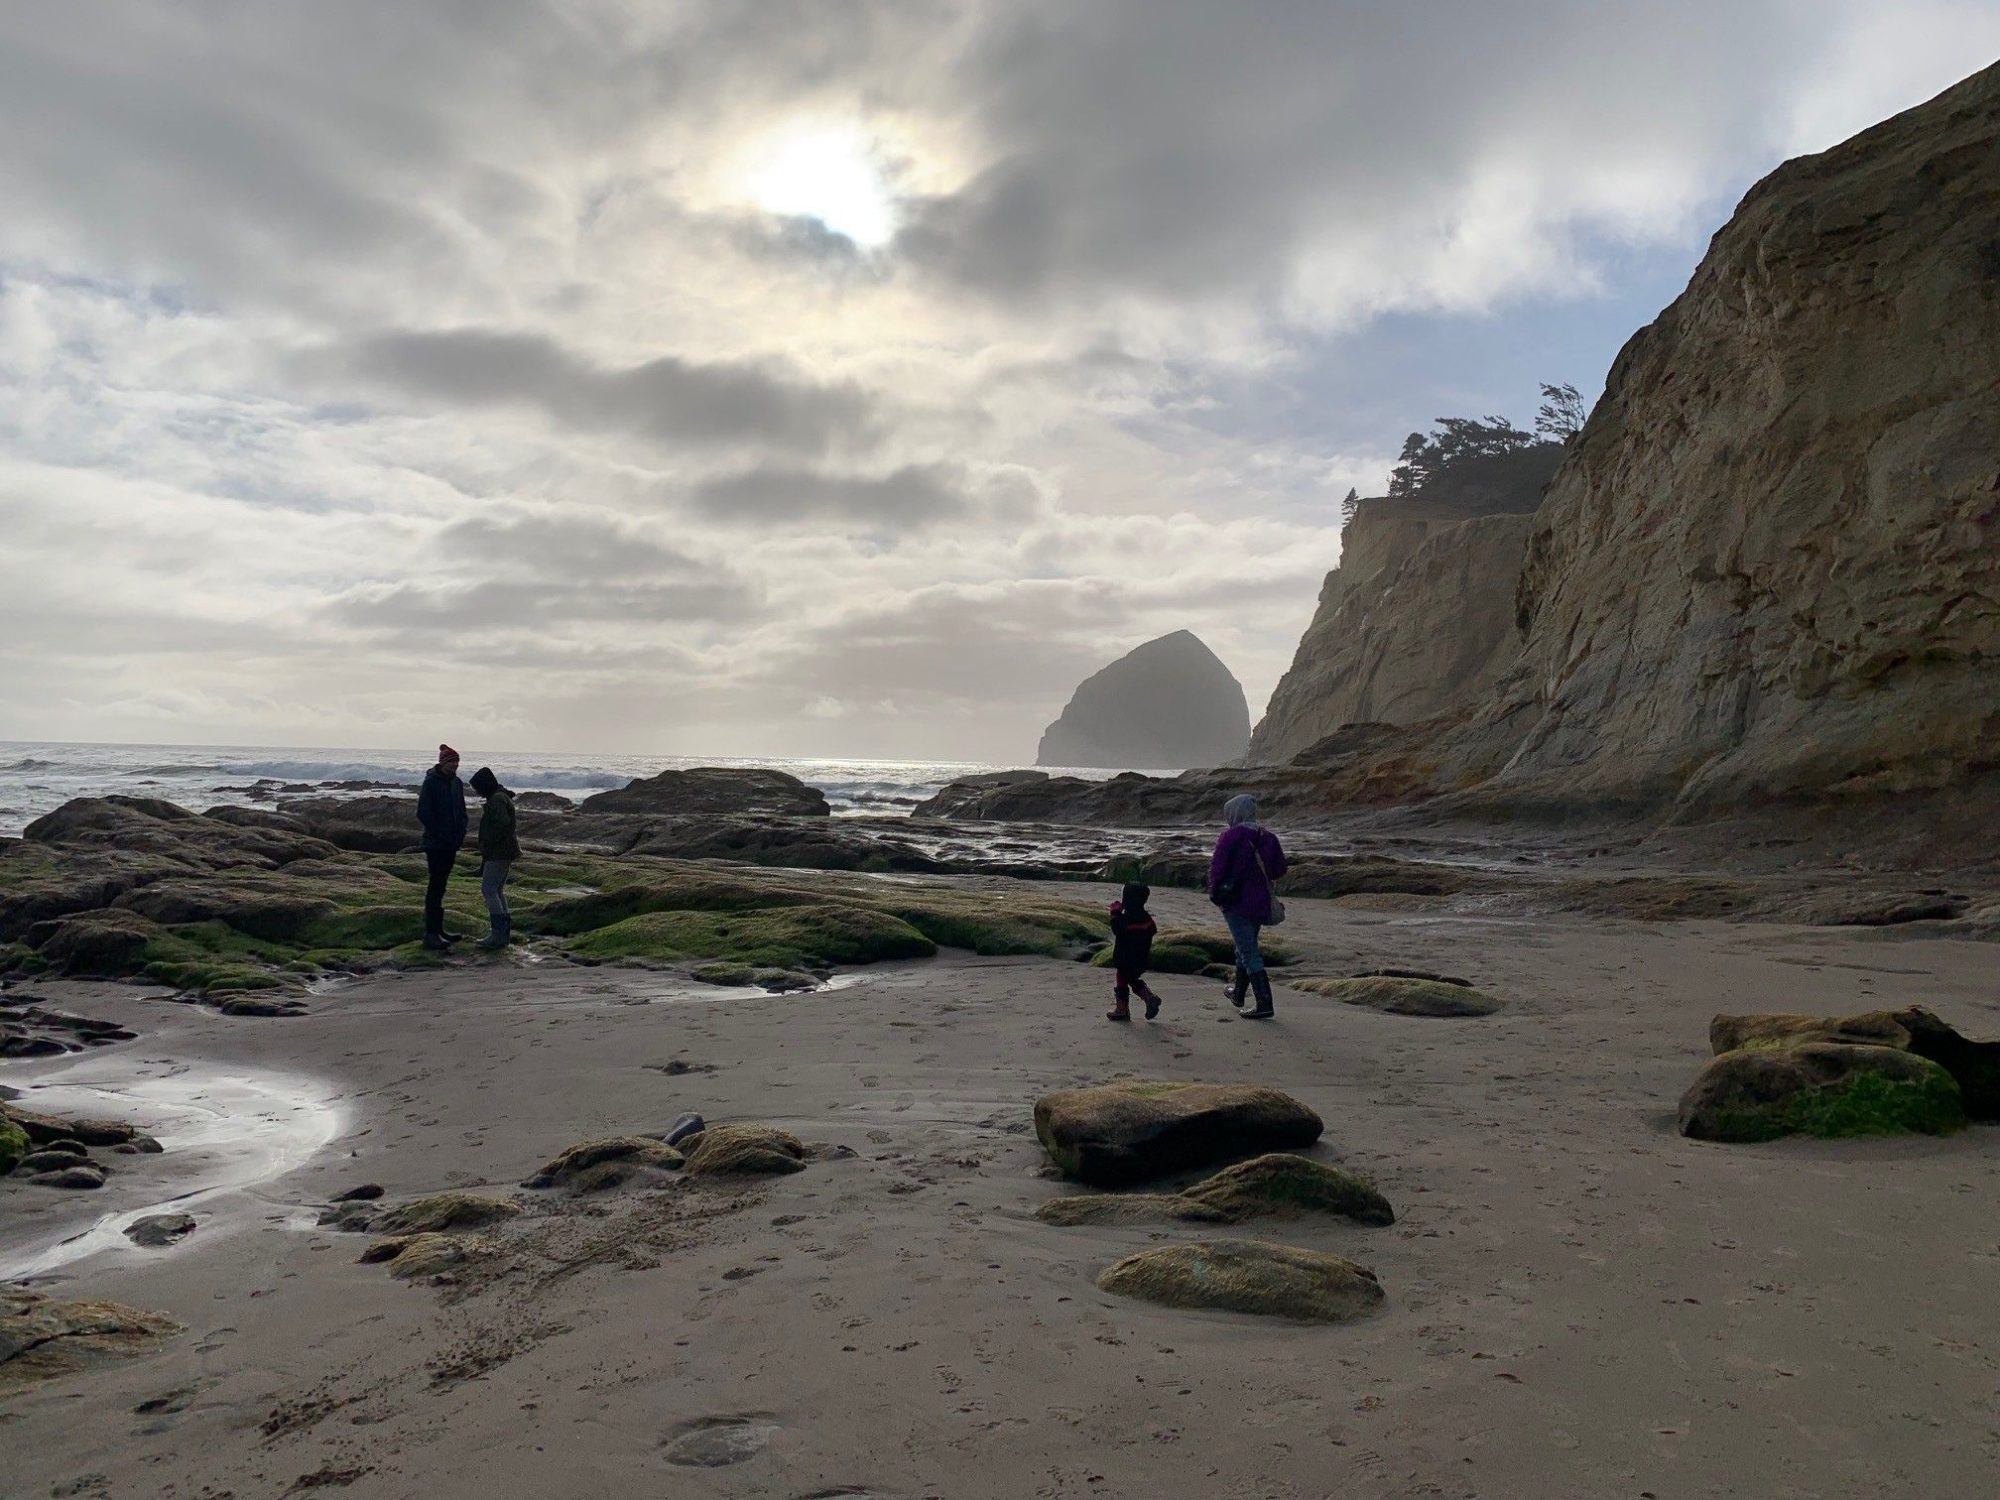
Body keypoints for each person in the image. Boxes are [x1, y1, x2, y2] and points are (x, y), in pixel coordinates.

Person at [1207, 793, 1287, 1020]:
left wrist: (1215, 894)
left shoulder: (1230, 836)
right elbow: (1279, 869)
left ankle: (1264, 1003)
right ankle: (1239, 993)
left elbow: (1217, 868)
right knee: (1244, 945)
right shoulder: (1268, 837)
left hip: (1236, 901)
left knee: (1248, 951)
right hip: (1261, 902)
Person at [416, 744, 468, 951]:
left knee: (442, 886)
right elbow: (423, 812)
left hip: (452, 843)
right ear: (443, 763)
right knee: (435, 887)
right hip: (435, 844)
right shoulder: (431, 782)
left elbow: (461, 812)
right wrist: (440, 834)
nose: (454, 765)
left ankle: (439, 930)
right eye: (451, 762)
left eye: (457, 762)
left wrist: (460, 834)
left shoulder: (457, 783)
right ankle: (431, 933)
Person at [468, 766, 519, 950]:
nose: (477, 792)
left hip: (499, 852)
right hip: (505, 851)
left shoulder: (497, 800)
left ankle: (498, 935)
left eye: (477, 788)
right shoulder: (501, 796)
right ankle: (503, 933)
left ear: (485, 784)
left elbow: (502, 825)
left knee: (489, 890)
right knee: (497, 890)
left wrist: (488, 844)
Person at [1105, 881, 1163, 1023]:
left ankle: (1122, 1010)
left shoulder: (1126, 919)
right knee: (1131, 979)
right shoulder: (1146, 918)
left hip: (1125, 958)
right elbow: (1152, 929)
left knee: (1122, 981)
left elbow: (1117, 929)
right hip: (1141, 958)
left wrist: (1115, 912)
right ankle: (1149, 998)